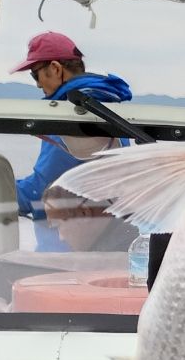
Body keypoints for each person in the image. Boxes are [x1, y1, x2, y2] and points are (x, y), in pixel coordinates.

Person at [11, 31, 133, 235]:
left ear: (55, 68)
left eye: (35, 74)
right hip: (107, 235)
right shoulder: (103, 107)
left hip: (73, 244)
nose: (38, 84)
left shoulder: (73, 118)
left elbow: (41, 191)